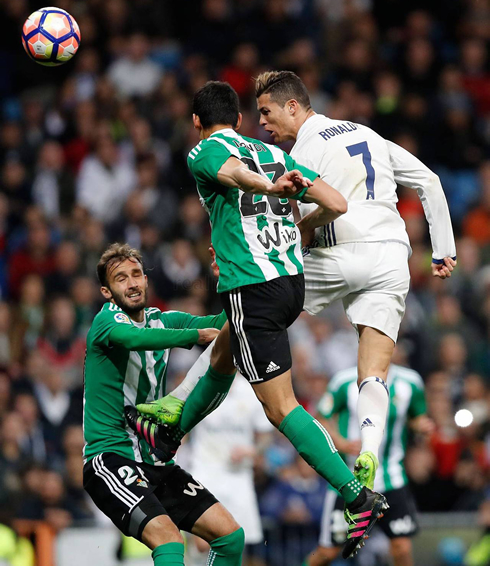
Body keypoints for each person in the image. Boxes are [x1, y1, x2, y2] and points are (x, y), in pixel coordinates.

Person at [136, 81, 387, 560]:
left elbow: (232, 173)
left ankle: (355, 495)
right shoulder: (269, 150)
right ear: (240, 116)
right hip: (292, 280)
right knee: (225, 351)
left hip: (254, 287)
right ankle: (169, 433)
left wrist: (266, 187)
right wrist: (294, 219)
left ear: (196, 121)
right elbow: (336, 202)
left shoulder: (205, 151)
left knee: (280, 407)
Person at [254, 70, 457, 490]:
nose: (262, 122)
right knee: (374, 374)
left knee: (249, 311)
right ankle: (369, 451)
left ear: (293, 107)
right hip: (390, 255)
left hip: (338, 250)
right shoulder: (370, 136)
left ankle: (179, 404)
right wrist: (442, 250)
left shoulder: (305, 147)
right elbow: (429, 181)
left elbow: (295, 213)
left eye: (266, 111)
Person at [82, 243, 245, 566]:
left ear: (145, 280)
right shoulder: (106, 323)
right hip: (110, 459)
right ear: (107, 291)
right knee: (169, 539)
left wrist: (234, 282)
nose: (131, 283)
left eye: (136, 275)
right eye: (120, 279)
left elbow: (223, 322)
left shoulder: (163, 320)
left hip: (156, 463)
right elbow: (133, 339)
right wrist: (192, 336)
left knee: (230, 536)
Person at [305, 362, 434, 566]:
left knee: (402, 548)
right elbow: (322, 416)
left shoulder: (410, 382)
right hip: (347, 478)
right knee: (327, 552)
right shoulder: (344, 380)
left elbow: (417, 417)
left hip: (391, 478)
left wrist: (421, 426)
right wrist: (341, 443)